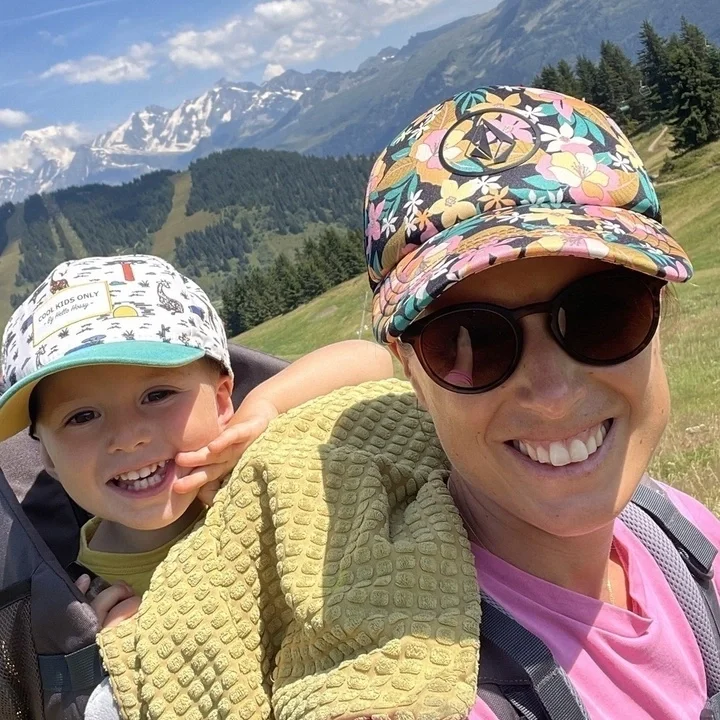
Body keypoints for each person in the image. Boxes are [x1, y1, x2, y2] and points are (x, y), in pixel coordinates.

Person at [88, 86, 719, 720]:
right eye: (467, 342)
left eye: (601, 316)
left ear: (659, 314)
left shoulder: (680, 536)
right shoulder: (416, 677)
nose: (553, 395)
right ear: (411, 369)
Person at [0, 253, 393, 627]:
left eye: (157, 395)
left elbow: (371, 361)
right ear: (47, 456)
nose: (128, 438)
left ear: (221, 401)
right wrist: (100, 651)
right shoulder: (78, 596)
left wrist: (266, 406)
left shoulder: (247, 450)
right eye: (82, 417)